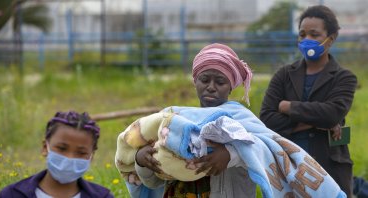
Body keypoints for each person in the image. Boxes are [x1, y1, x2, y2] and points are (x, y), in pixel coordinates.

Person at [131, 43, 256, 198]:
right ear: (195, 82)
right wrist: (142, 160)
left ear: (230, 87)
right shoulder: (174, 122)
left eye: (220, 82)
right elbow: (154, 182)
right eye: (204, 80)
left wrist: (229, 155)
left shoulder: (242, 120)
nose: (211, 87)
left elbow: (263, 152)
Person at [259, 5, 357, 197]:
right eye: (302, 34)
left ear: (332, 38)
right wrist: (316, 122)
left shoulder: (344, 77)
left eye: (314, 34)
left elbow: (332, 114)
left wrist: (287, 106)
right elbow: (267, 120)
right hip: (288, 167)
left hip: (329, 169)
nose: (307, 40)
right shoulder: (284, 75)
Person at [0, 111, 114, 198]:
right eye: (62, 148)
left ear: (91, 156)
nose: (69, 157)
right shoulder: (12, 195)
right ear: (45, 147)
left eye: (81, 152)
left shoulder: (103, 197)